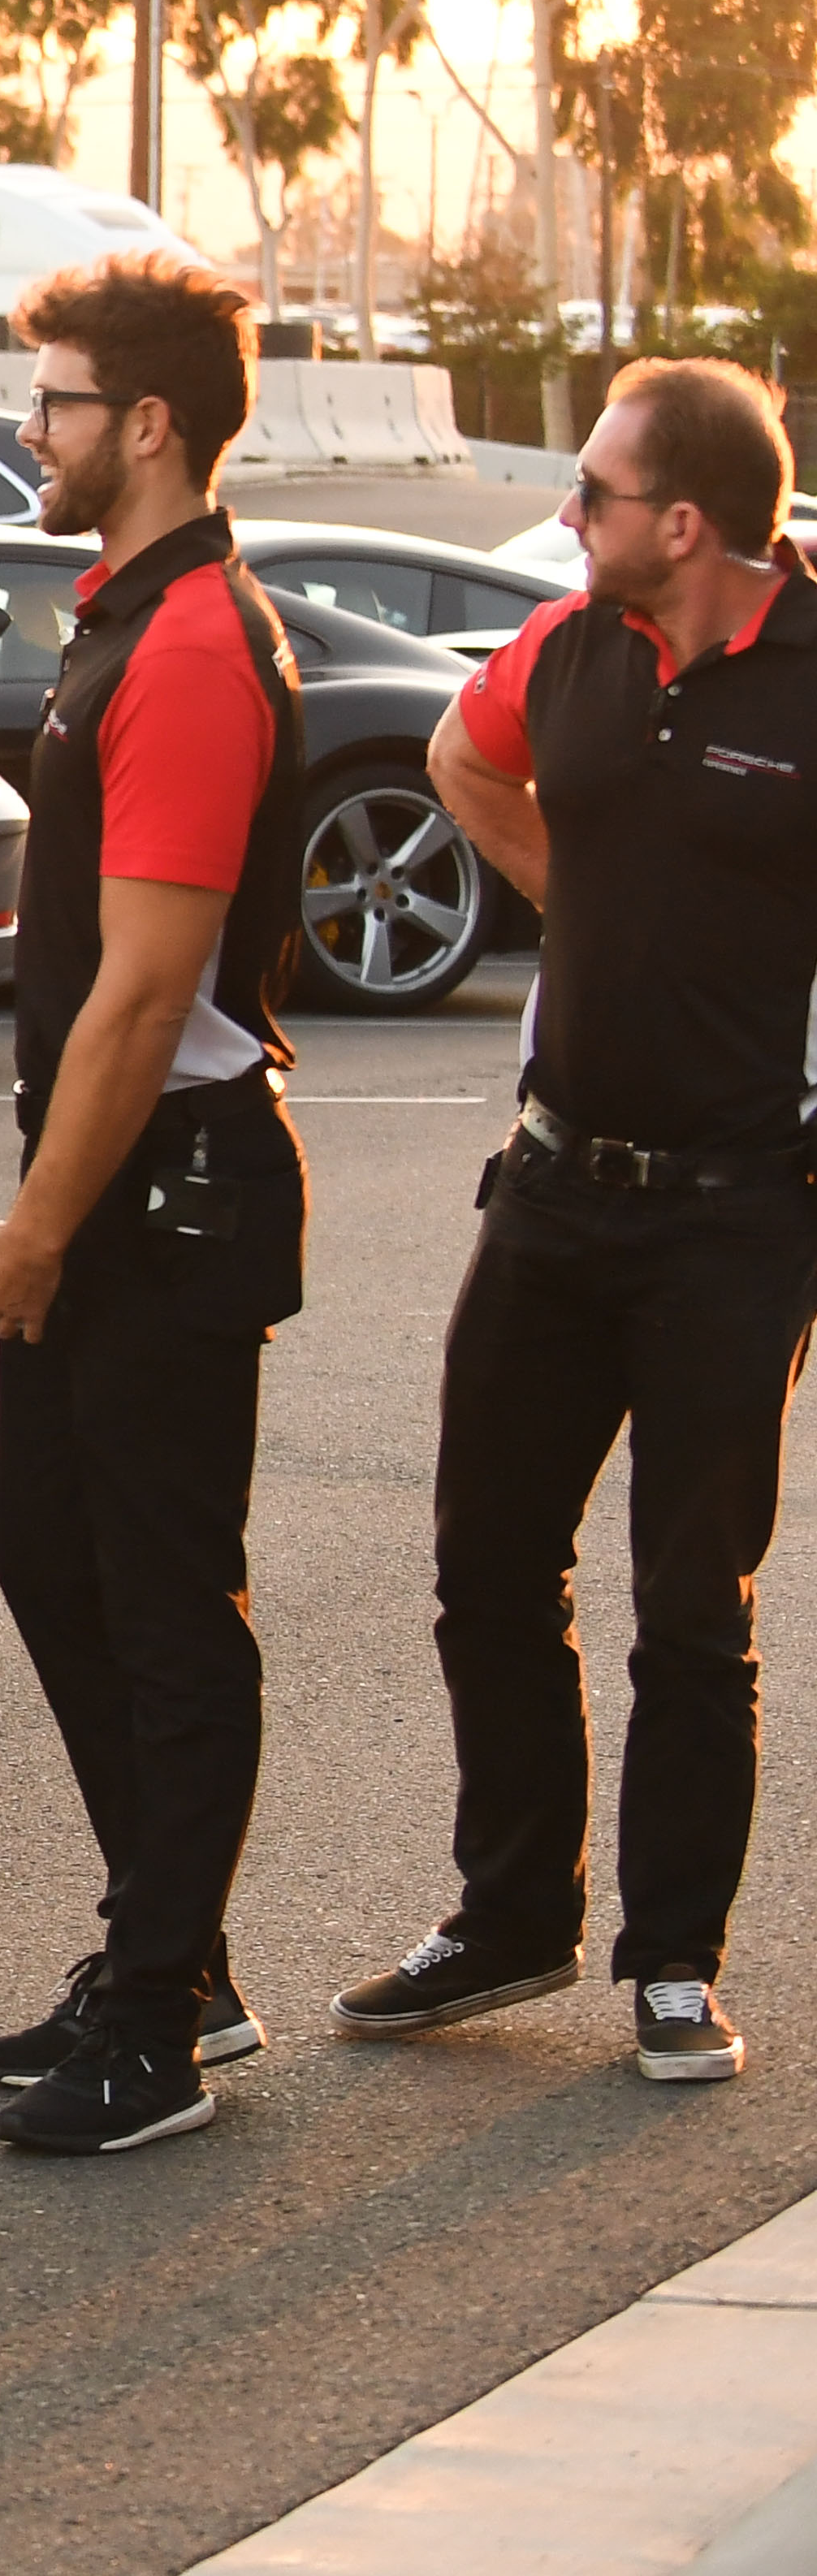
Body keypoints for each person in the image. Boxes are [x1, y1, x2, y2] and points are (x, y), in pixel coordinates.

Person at [338, 355, 817, 2089]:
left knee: (688, 1601)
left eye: (596, 493)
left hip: (738, 1217)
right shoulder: (567, 646)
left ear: (681, 523)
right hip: (550, 1189)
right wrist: (591, 904)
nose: (567, 513)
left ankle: (674, 1961)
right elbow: (463, 760)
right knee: (485, 1563)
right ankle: (509, 1913)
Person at [0, 256, 309, 2157]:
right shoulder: (124, 616)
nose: (33, 431)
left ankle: (159, 2020)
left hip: (166, 1194)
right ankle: (174, 1952)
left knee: (163, 1605)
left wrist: (38, 1225)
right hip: (115, 1185)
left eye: (57, 403)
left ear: (145, 424)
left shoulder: (184, 645)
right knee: (51, 1560)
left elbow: (146, 991)